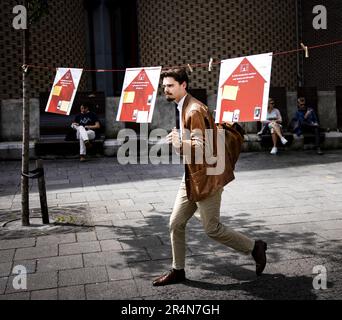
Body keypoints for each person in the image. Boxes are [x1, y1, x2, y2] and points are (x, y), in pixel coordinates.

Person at [152, 68, 267, 286]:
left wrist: (178, 143)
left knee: (212, 229)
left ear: (183, 85)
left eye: (170, 85)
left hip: (208, 177)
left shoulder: (194, 109)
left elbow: (201, 148)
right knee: (175, 223)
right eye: (164, 86)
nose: (165, 89)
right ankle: (178, 271)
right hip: (192, 176)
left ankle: (255, 247)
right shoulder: (183, 106)